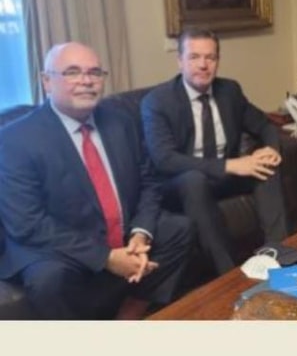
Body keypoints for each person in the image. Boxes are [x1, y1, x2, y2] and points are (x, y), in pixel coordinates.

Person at [0, 42, 191, 319]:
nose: (86, 81)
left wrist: (140, 233)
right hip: (57, 243)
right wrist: (106, 258)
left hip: (118, 230)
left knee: (179, 229)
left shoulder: (120, 121)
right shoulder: (15, 139)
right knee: (49, 279)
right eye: (72, 72)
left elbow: (149, 181)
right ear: (47, 81)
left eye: (94, 72)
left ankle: (131, 312)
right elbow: (27, 224)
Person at [141, 28, 288, 276]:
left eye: (210, 57)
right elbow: (165, 160)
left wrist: (271, 150)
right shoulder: (157, 102)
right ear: (179, 61)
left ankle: (278, 255)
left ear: (217, 61)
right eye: (194, 57)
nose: (203, 65)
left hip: (224, 176)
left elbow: (264, 125)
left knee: (265, 165)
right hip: (181, 184)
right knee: (194, 180)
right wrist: (231, 165)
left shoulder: (229, 91)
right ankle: (228, 275)